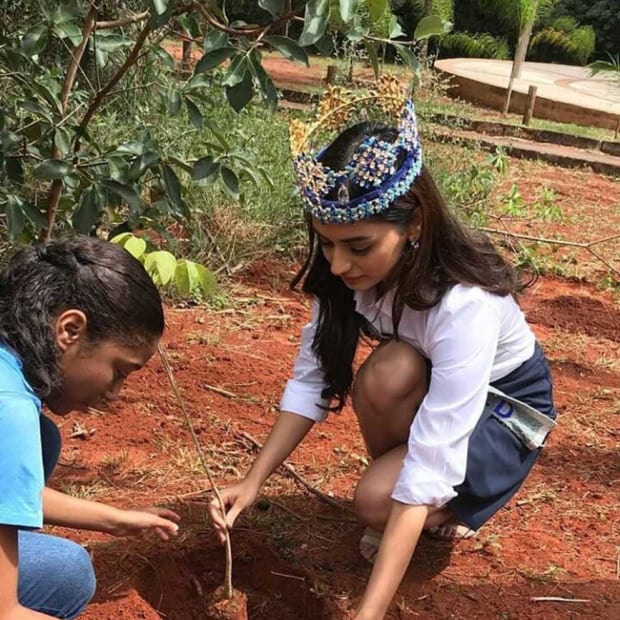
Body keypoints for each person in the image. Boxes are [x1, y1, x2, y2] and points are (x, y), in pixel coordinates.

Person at [209, 79, 557, 619]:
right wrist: (252, 482)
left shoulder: (465, 305)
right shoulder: (346, 280)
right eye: (325, 244)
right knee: (389, 371)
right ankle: (400, 506)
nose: (339, 264)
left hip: (504, 411)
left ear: (414, 223)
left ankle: (439, 511)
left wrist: (369, 611)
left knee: (377, 500)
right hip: (426, 380)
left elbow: (435, 449)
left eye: (359, 246)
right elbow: (310, 381)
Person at [0, 236, 181, 620]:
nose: (115, 392)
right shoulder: (8, 409)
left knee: (44, 438)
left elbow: (8, 485)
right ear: (69, 329)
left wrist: (114, 518)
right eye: (119, 371)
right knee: (67, 573)